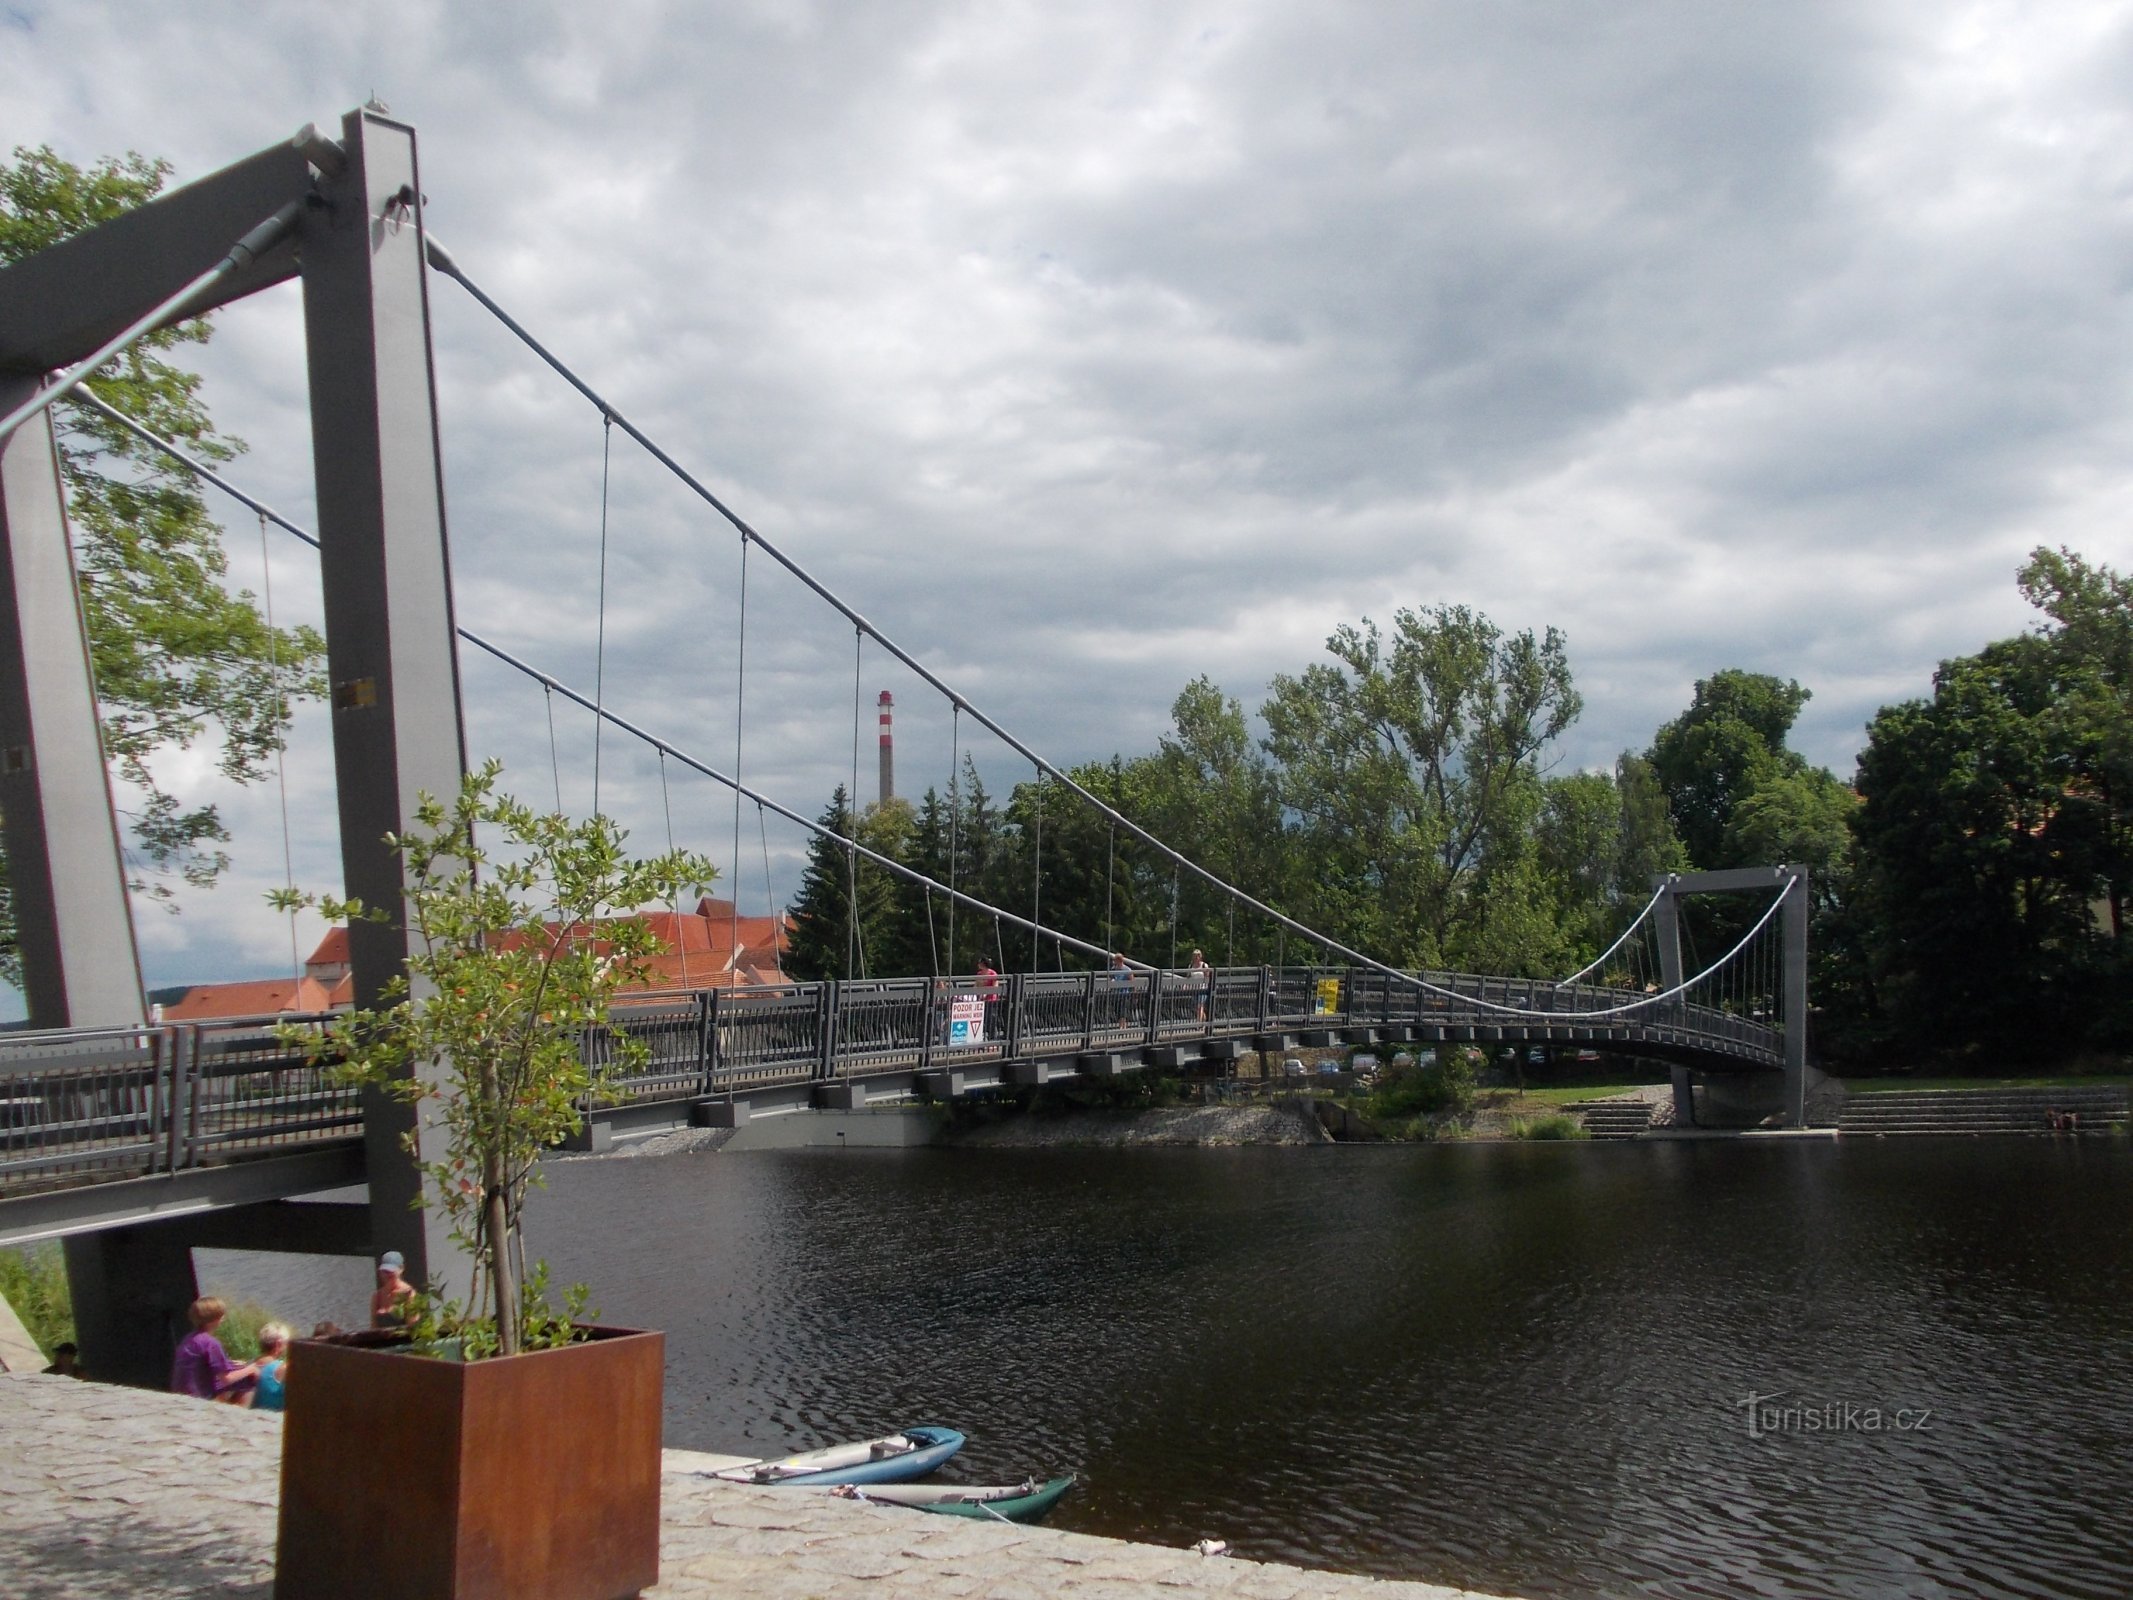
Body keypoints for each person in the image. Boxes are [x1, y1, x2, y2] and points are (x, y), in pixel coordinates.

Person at [170, 1297, 262, 1403]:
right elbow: (226, 1379)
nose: (223, 1319)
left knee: (238, 1370)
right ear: (214, 1319)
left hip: (182, 1390)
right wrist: (251, 1368)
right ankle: (238, 1412)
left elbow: (202, 1364)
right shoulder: (211, 1343)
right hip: (197, 1394)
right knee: (248, 1379)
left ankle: (224, 1406)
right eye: (221, 1316)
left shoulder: (189, 1338)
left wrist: (229, 1363)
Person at [249, 1323, 291, 1412]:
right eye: (286, 1342)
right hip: (273, 1417)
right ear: (278, 1344)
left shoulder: (250, 1364)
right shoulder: (282, 1368)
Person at [371, 1251, 416, 1328]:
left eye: (391, 1271)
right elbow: (373, 1327)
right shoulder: (377, 1296)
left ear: (401, 1269)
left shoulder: (409, 1293)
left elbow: (413, 1326)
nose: (387, 1275)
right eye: (384, 1271)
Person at [1189, 949, 1212, 1022]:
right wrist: (1186, 985)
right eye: (1195, 956)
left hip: (1202, 988)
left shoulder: (1204, 965)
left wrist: (1206, 986)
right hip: (1194, 988)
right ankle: (1204, 1021)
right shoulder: (1191, 966)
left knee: (1200, 1006)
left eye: (1198, 956)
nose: (1196, 957)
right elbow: (1188, 977)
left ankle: (1198, 1023)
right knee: (1196, 1007)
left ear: (1200, 956)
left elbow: (1207, 976)